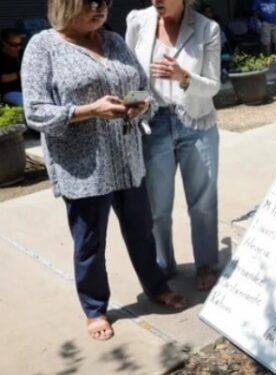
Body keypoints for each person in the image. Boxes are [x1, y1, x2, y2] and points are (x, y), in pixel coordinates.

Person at [21, 0, 186, 341]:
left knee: (141, 231)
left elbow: (139, 82)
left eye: (105, 2)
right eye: (90, 3)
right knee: (90, 243)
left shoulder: (112, 40)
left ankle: (155, 287)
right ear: (66, 5)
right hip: (84, 168)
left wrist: (140, 102)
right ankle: (95, 308)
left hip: (127, 159)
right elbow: (35, 113)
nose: (100, 9)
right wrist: (87, 111)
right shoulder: (43, 46)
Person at [126, 0, 222, 291]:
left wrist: (184, 77)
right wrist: (132, 105)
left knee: (203, 203)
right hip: (153, 123)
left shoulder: (207, 28)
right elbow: (129, 72)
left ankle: (206, 264)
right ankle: (163, 265)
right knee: (158, 207)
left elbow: (213, 85)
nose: (157, 0)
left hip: (196, 123)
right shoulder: (137, 21)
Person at [0, 29, 24, 106]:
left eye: (20, 44)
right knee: (27, 103)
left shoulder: (23, 53)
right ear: (4, 43)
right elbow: (2, 78)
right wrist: (19, 74)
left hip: (29, 89)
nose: (18, 48)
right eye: (14, 45)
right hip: (10, 91)